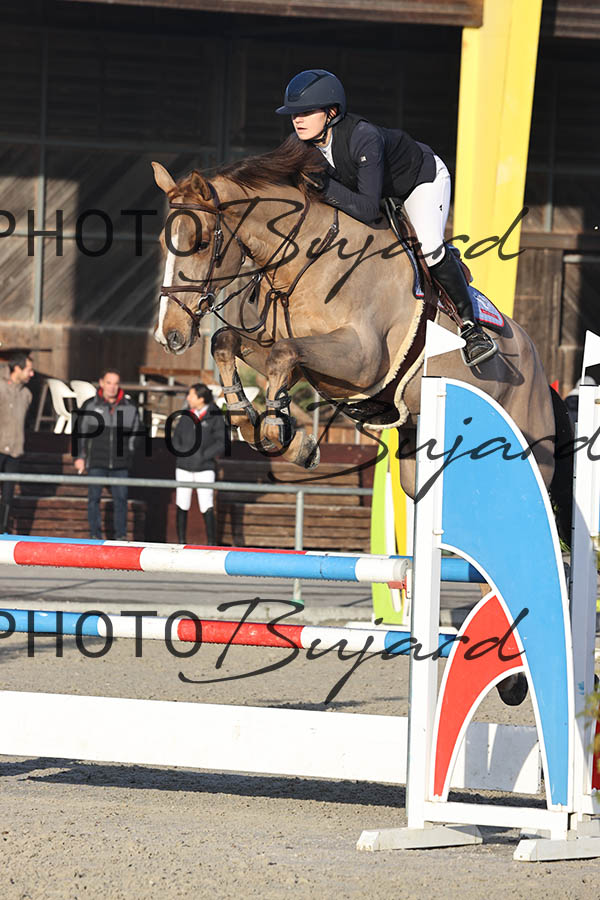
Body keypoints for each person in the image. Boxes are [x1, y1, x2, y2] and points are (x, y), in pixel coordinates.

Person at [276, 69, 497, 368]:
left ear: (331, 112)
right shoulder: (299, 144)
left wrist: (325, 187)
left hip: (419, 181)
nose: (297, 120)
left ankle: (472, 329)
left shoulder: (363, 137)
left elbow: (367, 209)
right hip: (377, 194)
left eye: (306, 112)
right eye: (294, 114)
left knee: (429, 247)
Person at [74, 369, 140, 540]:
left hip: (120, 463)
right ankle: (95, 535)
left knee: (121, 499)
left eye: (116, 383)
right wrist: (80, 456)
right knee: (93, 498)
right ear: (102, 383)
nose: (112, 387)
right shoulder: (90, 405)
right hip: (96, 460)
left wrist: (129, 453)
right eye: (109, 383)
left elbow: (136, 433)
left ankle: (120, 536)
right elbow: (79, 433)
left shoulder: (130, 407)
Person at [171, 383, 227, 545]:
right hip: (183, 466)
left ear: (201, 398)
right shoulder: (186, 415)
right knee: (182, 502)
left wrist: (203, 456)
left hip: (205, 468)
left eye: (191, 395)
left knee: (206, 504)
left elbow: (222, 442)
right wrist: (181, 451)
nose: (188, 398)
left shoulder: (215, 416)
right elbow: (176, 437)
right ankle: (181, 542)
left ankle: (211, 544)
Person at [0, 353, 34, 532]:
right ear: (17, 369)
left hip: (14, 451)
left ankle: (3, 529)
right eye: (28, 370)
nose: (32, 374)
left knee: (8, 495)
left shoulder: (26, 394)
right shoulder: (1, 387)